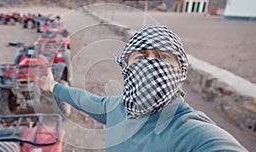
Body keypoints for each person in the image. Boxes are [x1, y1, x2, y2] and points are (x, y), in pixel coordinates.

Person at [36, 25, 247, 151]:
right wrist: (52, 85)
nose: (151, 65)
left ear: (181, 71)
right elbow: (84, 99)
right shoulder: (116, 108)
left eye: (164, 57)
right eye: (140, 57)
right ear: (125, 67)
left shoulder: (186, 131)